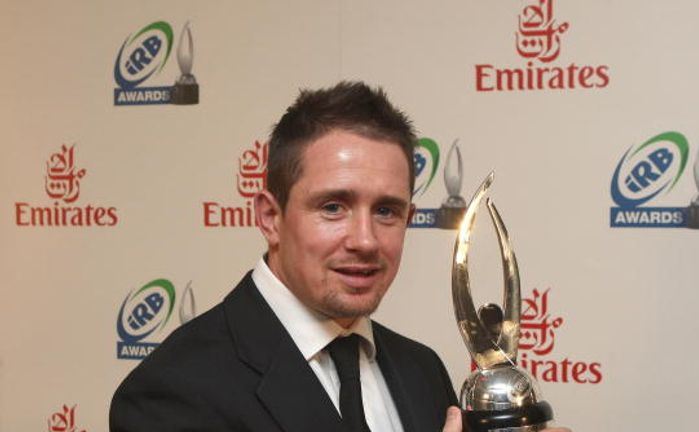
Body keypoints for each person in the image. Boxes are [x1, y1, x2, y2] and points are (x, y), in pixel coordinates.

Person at [110, 82, 570, 432]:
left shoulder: (421, 369)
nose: (366, 240)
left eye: (387, 211)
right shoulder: (174, 391)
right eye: (333, 207)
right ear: (271, 217)